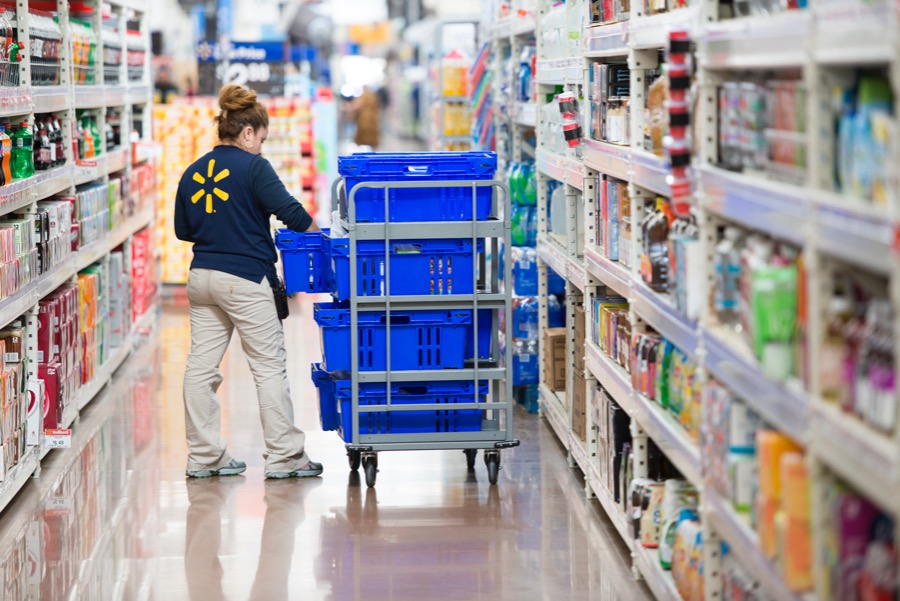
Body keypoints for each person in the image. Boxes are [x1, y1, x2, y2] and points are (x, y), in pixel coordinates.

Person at [174, 84, 322, 480]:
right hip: (245, 279)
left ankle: (205, 456)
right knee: (268, 367)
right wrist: (321, 237)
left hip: (202, 278)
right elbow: (290, 212)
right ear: (247, 133)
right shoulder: (254, 166)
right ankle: (286, 456)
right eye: (261, 139)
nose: (261, 147)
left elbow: (182, 230)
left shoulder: (193, 171)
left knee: (201, 369)